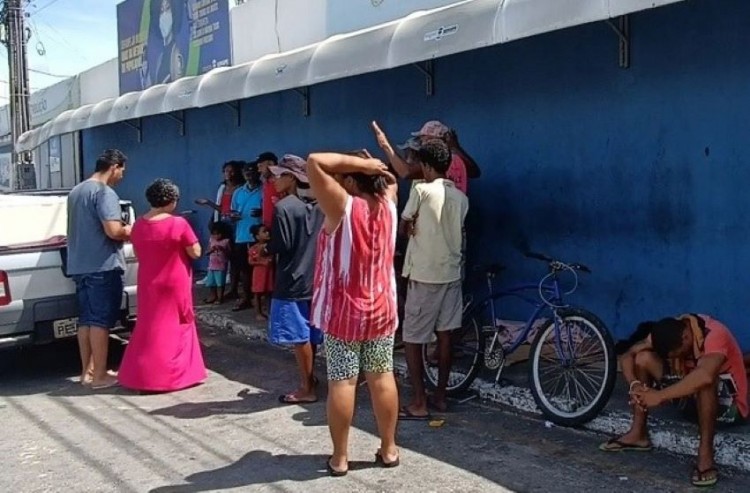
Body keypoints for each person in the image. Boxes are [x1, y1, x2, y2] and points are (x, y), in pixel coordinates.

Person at [307, 151, 400, 476]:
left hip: (344, 313)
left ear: (350, 180)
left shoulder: (343, 207)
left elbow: (315, 162)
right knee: (381, 376)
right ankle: (389, 449)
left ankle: (340, 458)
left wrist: (360, 164)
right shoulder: (389, 202)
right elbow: (389, 179)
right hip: (381, 311)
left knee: (343, 382)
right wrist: (374, 164)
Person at [600, 315, 748, 487]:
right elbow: (627, 355)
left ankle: (705, 456)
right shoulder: (670, 329)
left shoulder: (715, 334)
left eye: (680, 353)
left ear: (686, 337)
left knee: (705, 379)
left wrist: (660, 395)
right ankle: (638, 434)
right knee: (643, 358)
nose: (679, 357)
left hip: (729, 409)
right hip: (691, 400)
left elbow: (705, 376)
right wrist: (634, 385)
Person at [398, 139, 469, 419]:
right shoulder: (462, 198)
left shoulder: (421, 190)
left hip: (425, 274)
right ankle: (440, 396)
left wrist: (412, 225)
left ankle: (419, 401)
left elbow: (405, 227)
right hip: (450, 274)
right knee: (445, 336)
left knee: (414, 339)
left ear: (426, 166)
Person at [118, 178, 206, 393]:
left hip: (148, 281)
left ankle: (144, 375)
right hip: (174, 281)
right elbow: (195, 252)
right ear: (171, 200)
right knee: (179, 324)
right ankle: (178, 374)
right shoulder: (178, 223)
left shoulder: (138, 224)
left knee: (150, 327)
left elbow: (139, 254)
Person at [67, 149, 131, 390]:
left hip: (79, 265)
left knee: (86, 320)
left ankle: (88, 371)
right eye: (122, 171)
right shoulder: (104, 192)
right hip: (102, 265)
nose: (121, 176)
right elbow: (114, 231)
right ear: (114, 166)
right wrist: (134, 229)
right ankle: (101, 376)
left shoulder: (76, 191)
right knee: (101, 321)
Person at [265, 154, 324, 404]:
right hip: (316, 278)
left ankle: (306, 387)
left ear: (290, 178)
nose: (272, 180)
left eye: (277, 175)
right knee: (311, 334)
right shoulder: (320, 205)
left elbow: (283, 244)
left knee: (299, 337)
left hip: (292, 278)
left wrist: (264, 249)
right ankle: (310, 379)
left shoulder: (284, 207)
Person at [371, 120, 480, 194]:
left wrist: (385, 145)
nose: (421, 142)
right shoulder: (457, 159)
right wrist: (456, 147)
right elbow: (475, 171)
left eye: (424, 138)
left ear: (435, 139)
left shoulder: (440, 159)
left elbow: (406, 172)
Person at [195, 160, 244, 298]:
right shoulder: (222, 188)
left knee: (233, 256)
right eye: (226, 171)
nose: (228, 174)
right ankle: (218, 289)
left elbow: (231, 209)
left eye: (231, 171)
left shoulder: (240, 188)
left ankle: (233, 288)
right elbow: (220, 208)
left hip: (235, 224)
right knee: (218, 255)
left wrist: (209, 203)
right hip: (223, 223)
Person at [228, 161, 263, 311]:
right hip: (241, 235)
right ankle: (246, 298)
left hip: (259, 236)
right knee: (243, 270)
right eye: (246, 172)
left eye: (251, 171)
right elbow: (232, 212)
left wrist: (261, 213)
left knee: (260, 270)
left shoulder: (263, 190)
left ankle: (260, 300)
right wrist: (233, 217)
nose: (249, 174)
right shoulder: (238, 192)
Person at [248, 224, 274, 320]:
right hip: (259, 273)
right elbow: (250, 261)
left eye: (267, 231)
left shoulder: (271, 246)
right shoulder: (254, 248)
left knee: (269, 292)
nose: (267, 233)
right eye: (264, 232)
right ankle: (258, 313)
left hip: (269, 273)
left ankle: (270, 311)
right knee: (257, 293)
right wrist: (262, 262)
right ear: (257, 236)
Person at [203, 222, 231, 304]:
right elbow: (206, 252)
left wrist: (223, 249)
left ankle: (220, 298)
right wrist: (211, 250)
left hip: (221, 266)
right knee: (211, 283)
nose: (216, 236)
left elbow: (229, 253)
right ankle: (213, 296)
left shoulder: (226, 241)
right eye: (214, 234)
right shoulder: (211, 240)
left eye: (218, 234)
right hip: (211, 265)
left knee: (220, 283)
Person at [256, 152, 281, 229]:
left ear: (270, 164)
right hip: (267, 227)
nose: (259, 170)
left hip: (279, 226)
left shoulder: (281, 181)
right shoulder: (265, 183)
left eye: (261, 166)